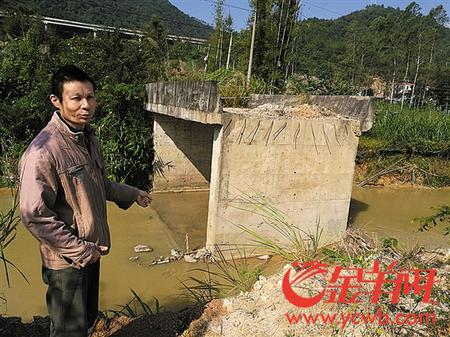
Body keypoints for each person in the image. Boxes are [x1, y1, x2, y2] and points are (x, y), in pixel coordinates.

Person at [18, 65, 152, 337]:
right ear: (56, 101)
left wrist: (132, 193)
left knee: (86, 321)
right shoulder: (43, 152)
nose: (85, 105)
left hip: (90, 250)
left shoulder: (87, 138)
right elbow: (34, 214)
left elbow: (97, 184)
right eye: (76, 98)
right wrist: (80, 250)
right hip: (68, 259)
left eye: (90, 97)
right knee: (69, 330)